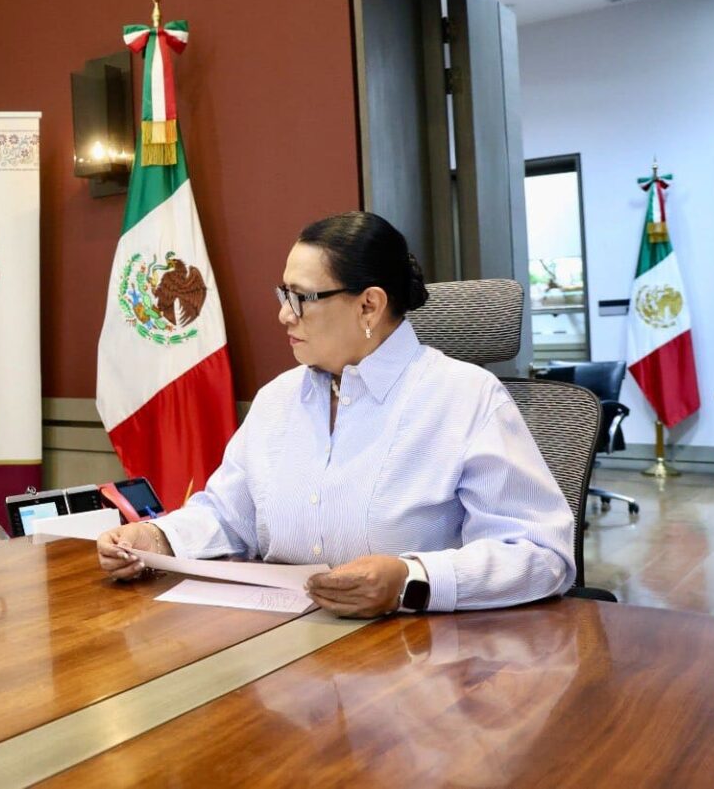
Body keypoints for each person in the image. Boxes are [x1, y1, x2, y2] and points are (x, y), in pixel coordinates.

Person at [97, 211, 575, 617]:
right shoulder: (277, 400)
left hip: (424, 660)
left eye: (301, 298)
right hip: (284, 656)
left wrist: (411, 579)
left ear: (369, 305)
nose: (284, 315)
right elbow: (228, 516)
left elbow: (540, 554)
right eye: (282, 295)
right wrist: (157, 537)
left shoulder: (465, 397)